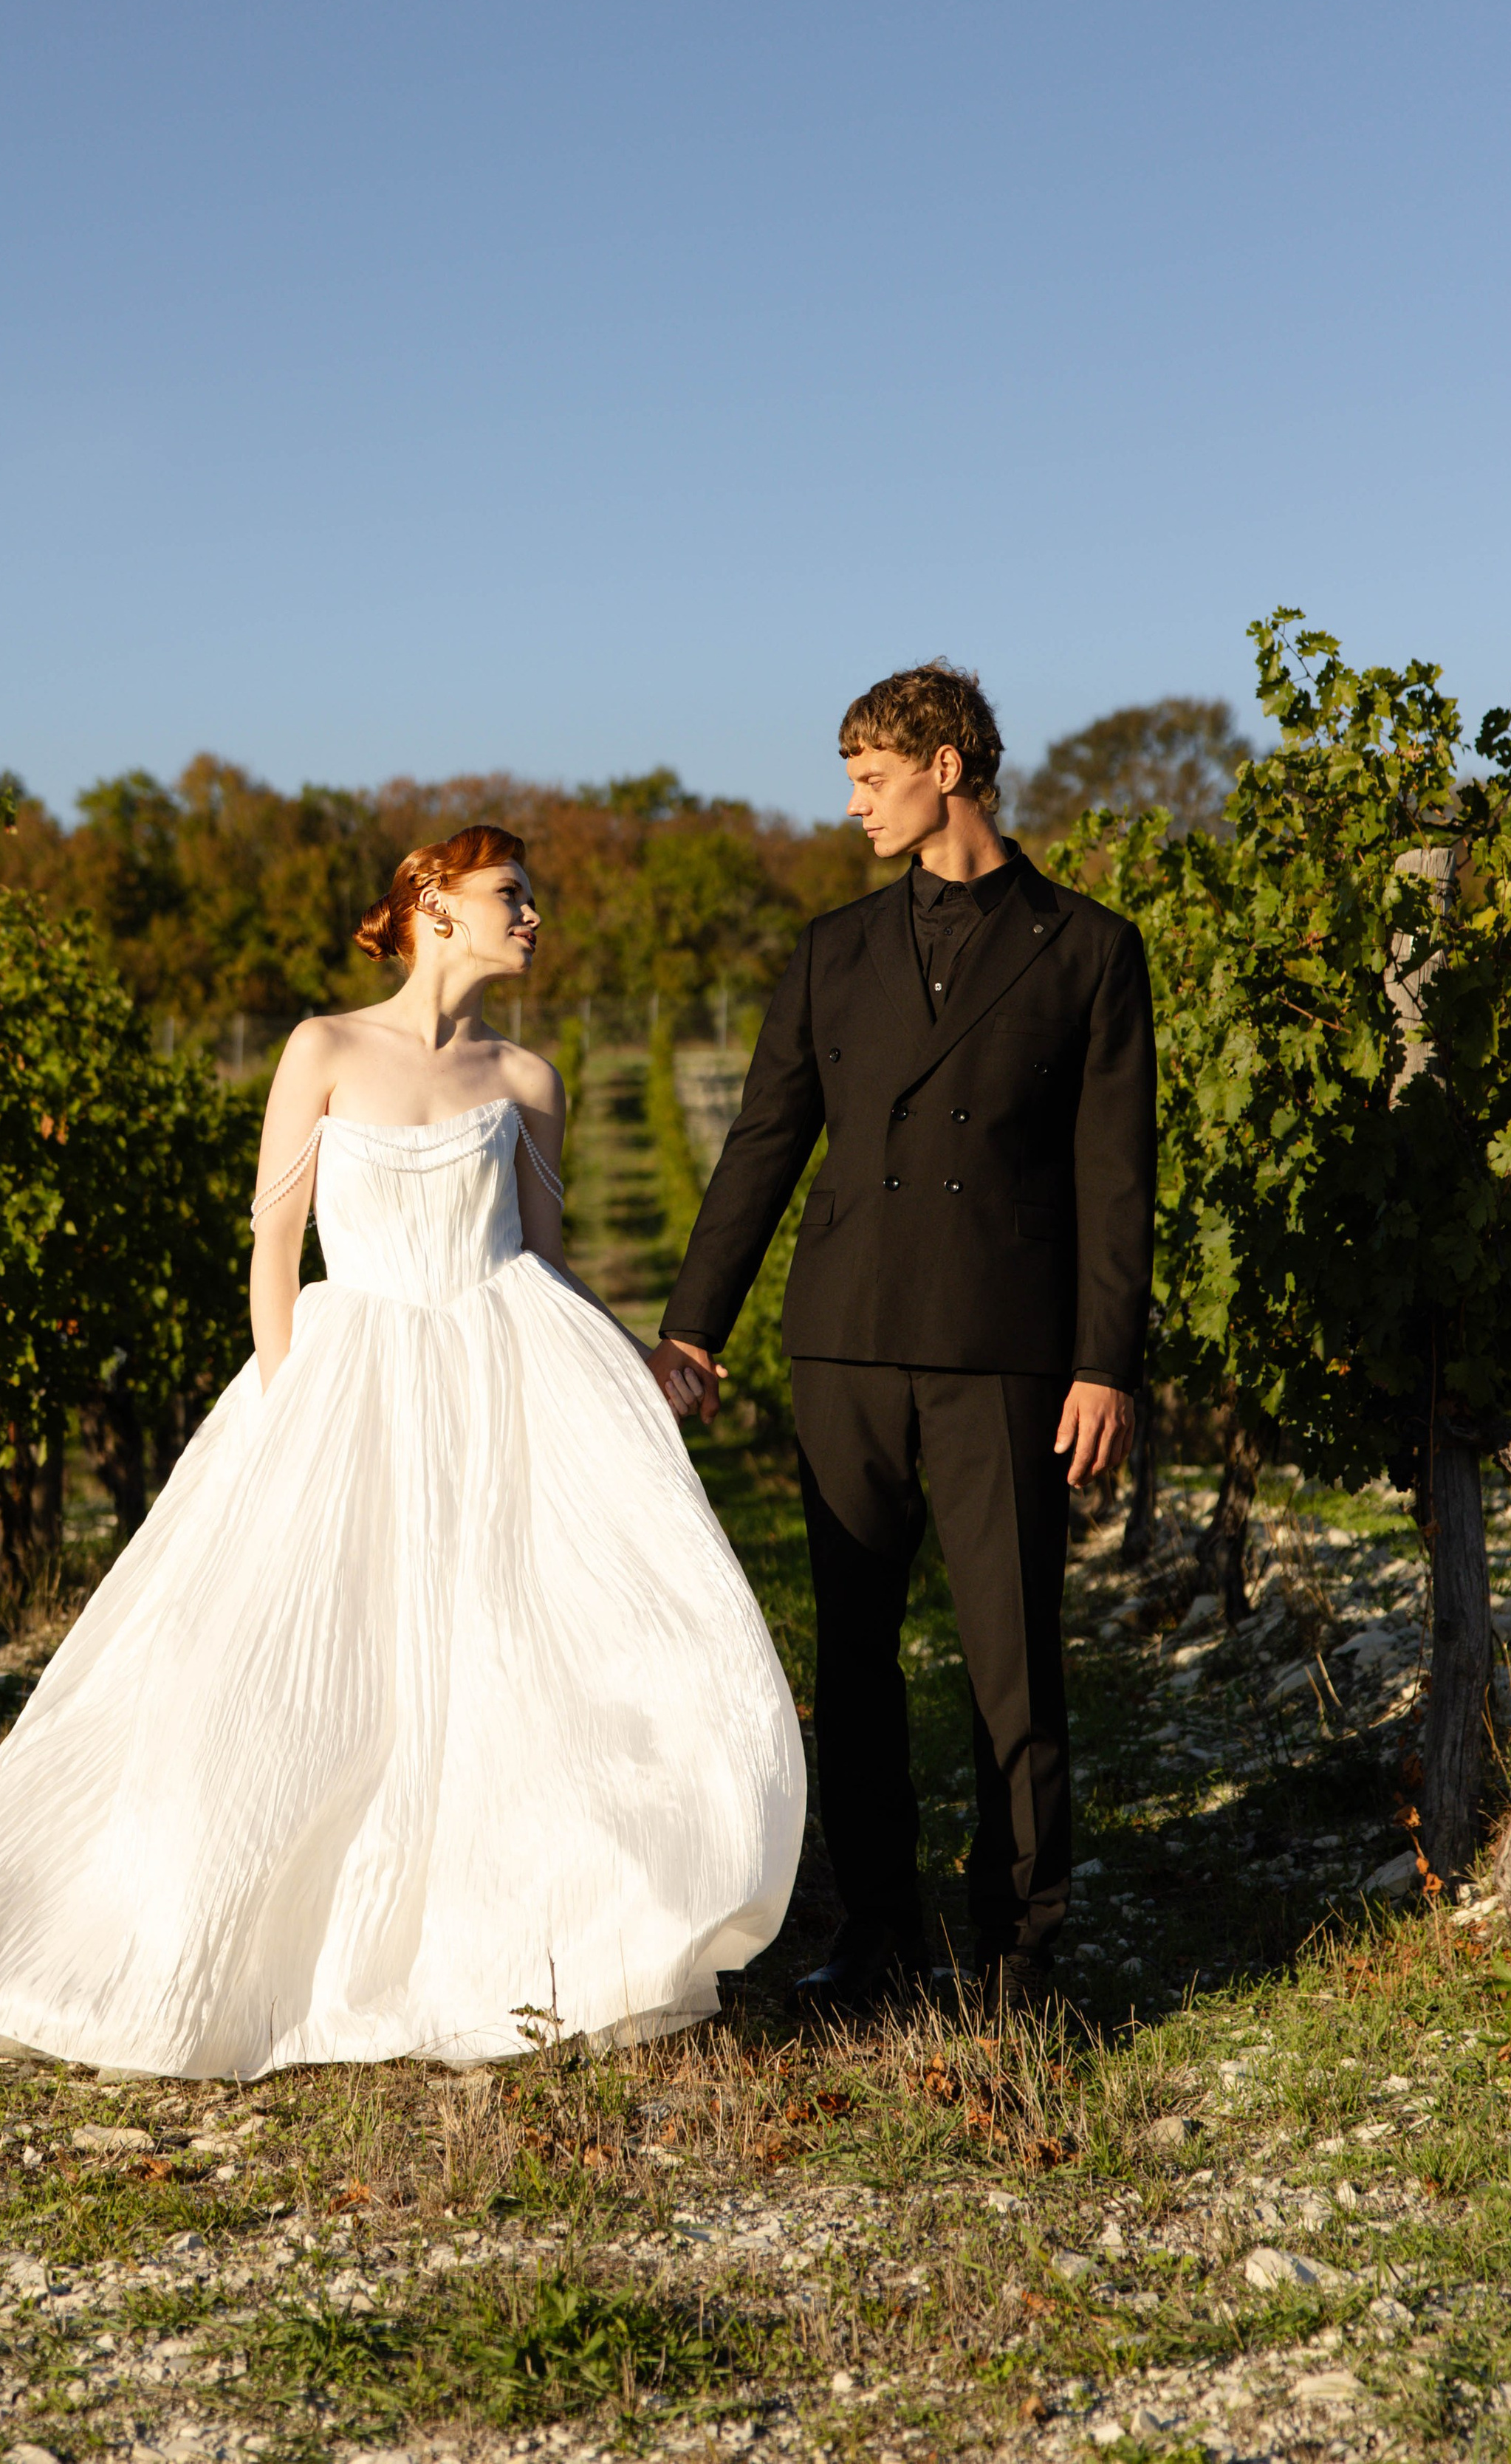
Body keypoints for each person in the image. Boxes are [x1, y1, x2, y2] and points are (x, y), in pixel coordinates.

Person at [0, 826, 805, 2076]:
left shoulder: (528, 1080)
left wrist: (639, 1361)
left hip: (497, 1369)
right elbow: (276, 1250)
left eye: (532, 899)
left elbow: (547, 1262)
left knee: (517, 1652)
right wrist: (283, 1411)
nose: (533, 918)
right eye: (510, 896)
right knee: (296, 1667)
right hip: (346, 1372)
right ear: (434, 903)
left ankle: (530, 1940)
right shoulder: (320, 1048)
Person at [650, 663, 1154, 2017]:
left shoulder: (1092, 949)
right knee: (856, 1660)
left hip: (1008, 1350)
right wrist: (694, 1327)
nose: (854, 804)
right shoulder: (835, 951)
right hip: (849, 1343)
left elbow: (1117, 1178)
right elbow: (763, 1144)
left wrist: (1106, 1359)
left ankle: (1017, 1951)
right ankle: (875, 1931)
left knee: (1014, 1654)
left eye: (871, 775)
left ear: (947, 763)